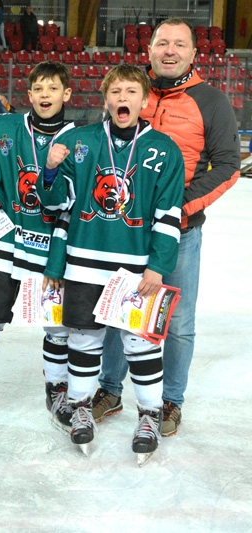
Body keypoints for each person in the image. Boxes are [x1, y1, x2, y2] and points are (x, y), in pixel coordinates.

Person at [93, 18, 241, 437]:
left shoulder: (211, 101)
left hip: (180, 232)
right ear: (151, 50)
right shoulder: (133, 92)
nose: (170, 51)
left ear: (194, 53)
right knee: (118, 314)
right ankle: (109, 389)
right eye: (162, 43)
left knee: (177, 322)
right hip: (124, 229)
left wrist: (176, 210)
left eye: (179, 44)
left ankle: (171, 400)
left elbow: (228, 166)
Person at [39, 64, 185, 458]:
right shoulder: (81, 141)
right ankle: (81, 407)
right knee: (84, 339)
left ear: (145, 100)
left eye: (131, 92)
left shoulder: (165, 149)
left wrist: (157, 265)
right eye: (116, 91)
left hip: (135, 270)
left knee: (140, 344)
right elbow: (55, 206)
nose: (123, 98)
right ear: (106, 99)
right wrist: (50, 170)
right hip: (84, 263)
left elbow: (169, 214)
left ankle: (151, 413)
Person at [0, 61, 75, 432]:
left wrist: (58, 262)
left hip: (49, 247)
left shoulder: (79, 139)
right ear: (28, 94)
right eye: (38, 88)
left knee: (57, 327)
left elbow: (73, 204)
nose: (44, 95)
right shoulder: (5, 126)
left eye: (53, 88)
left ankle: (57, 387)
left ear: (67, 94)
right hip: (4, 239)